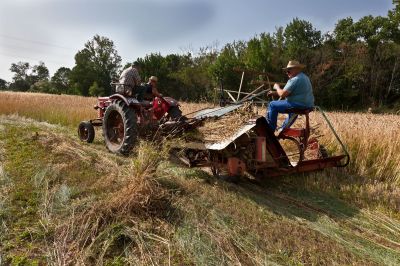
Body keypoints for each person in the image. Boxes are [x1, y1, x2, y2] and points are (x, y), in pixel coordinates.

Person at [266, 60, 314, 131]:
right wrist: (274, 93)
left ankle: (270, 130)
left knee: (272, 105)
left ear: (297, 69)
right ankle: (283, 129)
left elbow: (282, 94)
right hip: (308, 105)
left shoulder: (294, 79)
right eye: (287, 71)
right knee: (292, 112)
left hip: (298, 105)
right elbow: (292, 92)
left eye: (289, 70)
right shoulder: (305, 77)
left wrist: (277, 87)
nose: (287, 73)